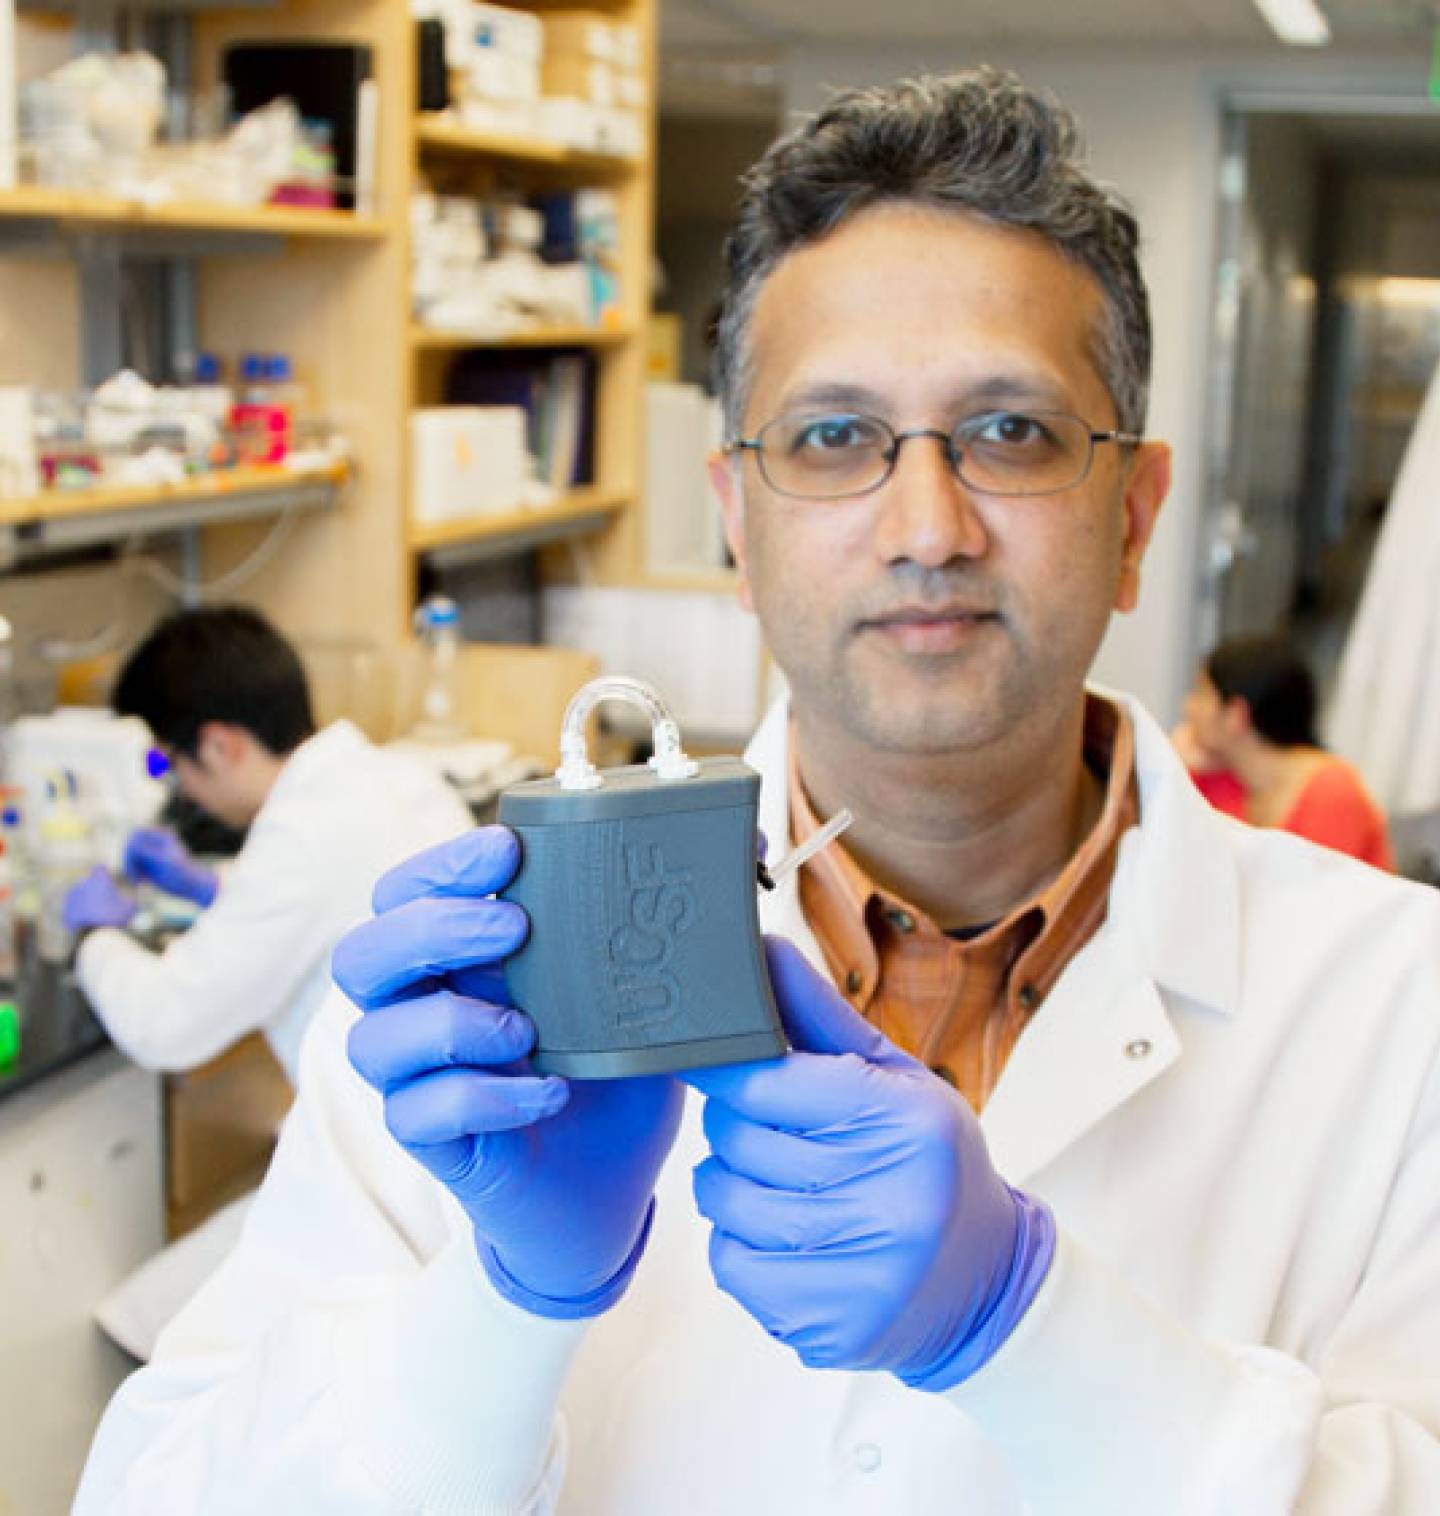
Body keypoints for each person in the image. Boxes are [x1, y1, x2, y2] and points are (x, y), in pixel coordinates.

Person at [76, 70, 1440, 1513]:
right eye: (835, 437)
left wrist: (1031, 1330)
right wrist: (504, 1299)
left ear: (1136, 517)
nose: (928, 528)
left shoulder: (1399, 1010)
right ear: (736, 519)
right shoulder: (486, 990)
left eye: (1013, 433)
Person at [61, 605, 471, 1080]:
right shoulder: (395, 774)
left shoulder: (301, 837)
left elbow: (164, 1024)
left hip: (383, 1134)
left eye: (169, 763)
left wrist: (95, 937)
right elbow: (331, 900)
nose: (181, 788)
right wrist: (213, 886)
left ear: (219, 746)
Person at [1174, 632, 1393, 869]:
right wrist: (1174, 764)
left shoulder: (1332, 793)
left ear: (1236, 715)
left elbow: (1313, 898)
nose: (1187, 707)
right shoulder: (1217, 776)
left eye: (1201, 694)